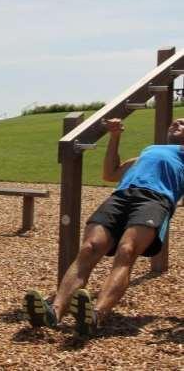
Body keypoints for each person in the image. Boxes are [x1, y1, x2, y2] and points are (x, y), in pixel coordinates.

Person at [23, 118, 184, 336]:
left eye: (183, 123)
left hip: (156, 201)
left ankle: (96, 315)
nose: (176, 123)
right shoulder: (149, 151)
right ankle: (54, 312)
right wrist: (114, 137)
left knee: (126, 250)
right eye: (174, 122)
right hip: (120, 196)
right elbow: (110, 173)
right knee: (89, 248)